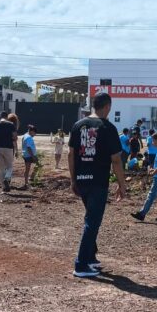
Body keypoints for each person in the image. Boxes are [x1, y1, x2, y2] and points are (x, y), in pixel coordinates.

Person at [69, 91, 127, 277]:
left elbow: (71, 155)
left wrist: (73, 179)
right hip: (98, 181)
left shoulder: (78, 125)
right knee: (92, 222)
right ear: (108, 106)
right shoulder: (108, 128)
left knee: (91, 219)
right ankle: (81, 264)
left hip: (82, 179)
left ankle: (90, 257)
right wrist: (122, 184)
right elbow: (116, 160)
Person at [131, 132, 157, 223]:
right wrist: (153, 170)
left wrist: (153, 173)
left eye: (153, 140)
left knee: (151, 196)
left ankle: (142, 214)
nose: (152, 142)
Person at [0, 110, 17, 193]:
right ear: (7, 117)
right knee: (9, 166)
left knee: (1, 168)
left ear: (0, 117)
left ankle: (4, 188)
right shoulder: (11, 124)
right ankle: (7, 178)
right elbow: (15, 137)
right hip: (8, 148)